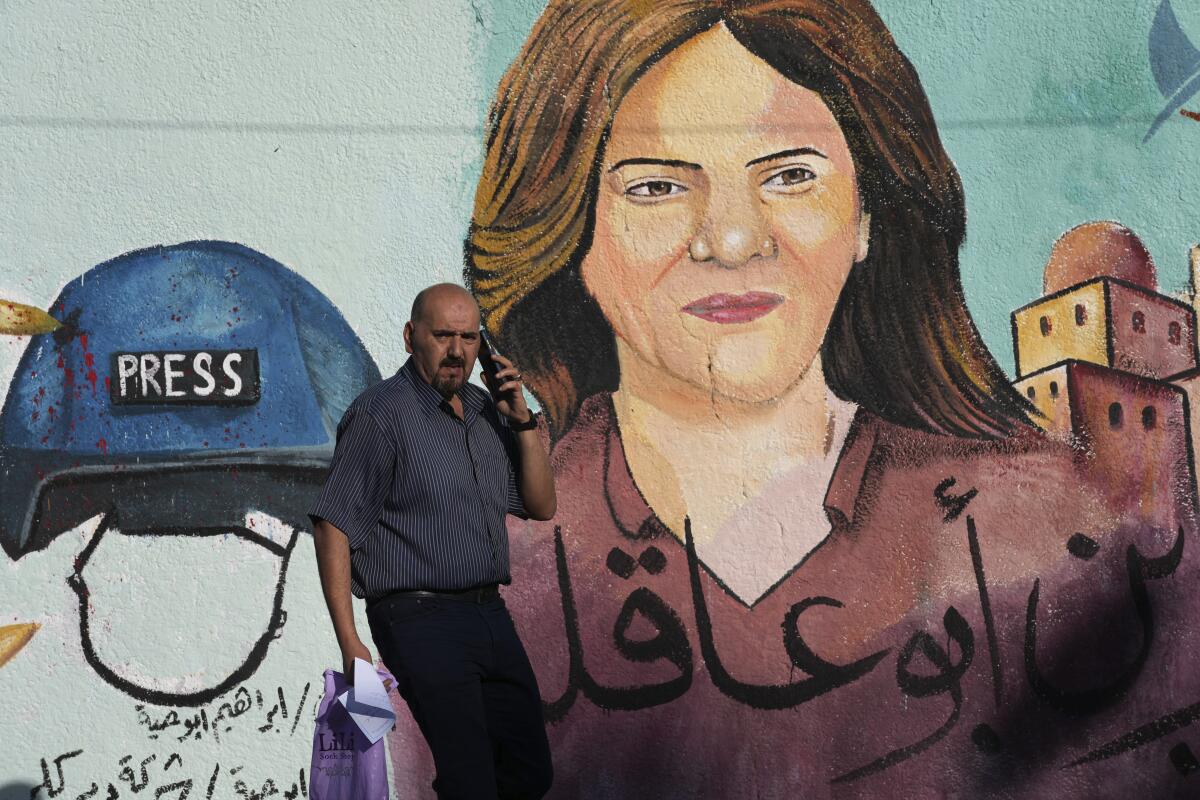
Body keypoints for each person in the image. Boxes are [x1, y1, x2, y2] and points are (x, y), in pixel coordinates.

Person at [442, 1, 1200, 797]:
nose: (731, 239)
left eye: (791, 175)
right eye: (657, 186)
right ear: (571, 231)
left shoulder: (1058, 535)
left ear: (868, 212)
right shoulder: (486, 570)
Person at [309, 283, 556, 800]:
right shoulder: (381, 415)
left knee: (528, 772)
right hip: (418, 619)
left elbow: (539, 505)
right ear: (410, 337)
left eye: (469, 338)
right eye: (443, 335)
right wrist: (350, 642)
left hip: (490, 614)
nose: (457, 351)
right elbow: (333, 523)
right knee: (470, 779)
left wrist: (522, 421)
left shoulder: (486, 410)